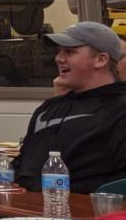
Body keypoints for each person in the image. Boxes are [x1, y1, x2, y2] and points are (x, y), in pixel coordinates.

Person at [15, 22, 126, 194]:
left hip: (83, 214)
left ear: (101, 60)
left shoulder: (119, 109)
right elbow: (22, 164)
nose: (59, 58)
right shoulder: (48, 109)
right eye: (59, 51)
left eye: (69, 51)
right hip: (22, 211)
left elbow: (120, 183)